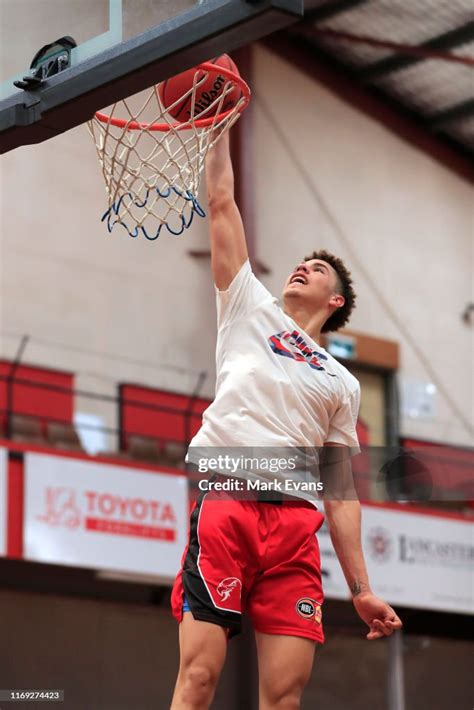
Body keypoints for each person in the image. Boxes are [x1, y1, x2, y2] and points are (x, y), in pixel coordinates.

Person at [170, 130, 402, 710]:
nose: (303, 266)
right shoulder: (249, 306)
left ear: (336, 302)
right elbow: (221, 201)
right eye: (302, 261)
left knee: (284, 696)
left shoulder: (341, 382)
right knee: (198, 679)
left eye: (318, 268)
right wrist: (217, 127)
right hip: (226, 504)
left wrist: (363, 590)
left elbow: (341, 492)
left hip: (294, 530)